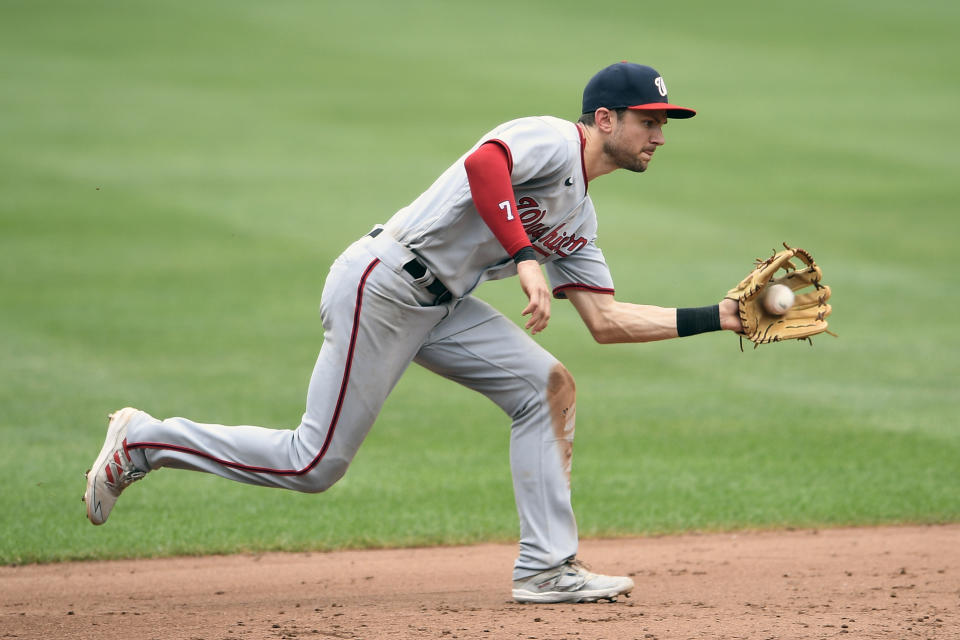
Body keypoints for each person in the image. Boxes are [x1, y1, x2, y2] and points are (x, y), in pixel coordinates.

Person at [84, 62, 743, 604]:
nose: (659, 135)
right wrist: (524, 257)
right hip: (384, 284)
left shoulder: (580, 217)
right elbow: (487, 166)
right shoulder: (549, 138)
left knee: (546, 386)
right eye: (650, 121)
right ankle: (146, 441)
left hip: (440, 307)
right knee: (314, 464)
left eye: (663, 125)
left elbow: (605, 320)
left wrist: (719, 317)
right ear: (606, 119)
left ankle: (547, 568)